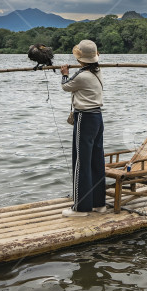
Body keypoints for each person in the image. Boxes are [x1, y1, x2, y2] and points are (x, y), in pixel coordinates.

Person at [60, 39, 106, 216]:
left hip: (85, 118)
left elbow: (65, 86)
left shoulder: (81, 76)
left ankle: (81, 207)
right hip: (97, 118)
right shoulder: (97, 71)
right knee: (96, 160)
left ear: (80, 59)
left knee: (81, 162)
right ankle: (98, 203)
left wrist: (64, 73)